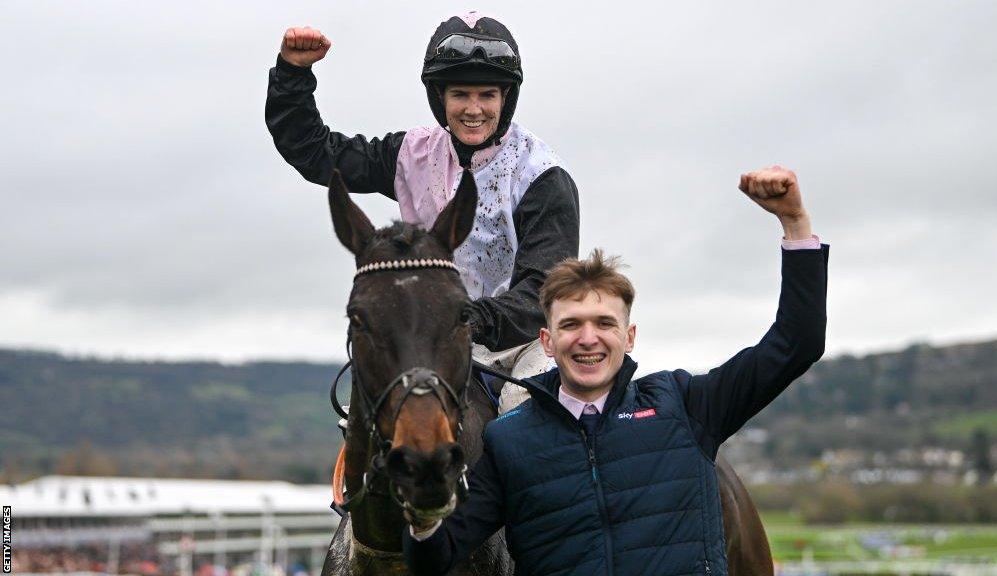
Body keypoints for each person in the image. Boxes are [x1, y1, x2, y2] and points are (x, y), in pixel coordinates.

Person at [402, 166, 828, 576]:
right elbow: (437, 557)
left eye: (605, 323)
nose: (589, 338)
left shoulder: (686, 406)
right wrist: (422, 512)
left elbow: (796, 344)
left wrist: (794, 223)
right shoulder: (508, 441)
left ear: (629, 337)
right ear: (547, 342)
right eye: (571, 325)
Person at [266, 13, 579, 412]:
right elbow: (315, 153)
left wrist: (467, 318)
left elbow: (547, 291)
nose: (474, 109)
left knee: (523, 417)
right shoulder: (411, 154)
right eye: (460, 95)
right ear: (439, 98)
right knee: (373, 408)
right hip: (435, 333)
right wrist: (293, 74)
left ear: (506, 99)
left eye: (487, 95)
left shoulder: (542, 175)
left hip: (527, 344)